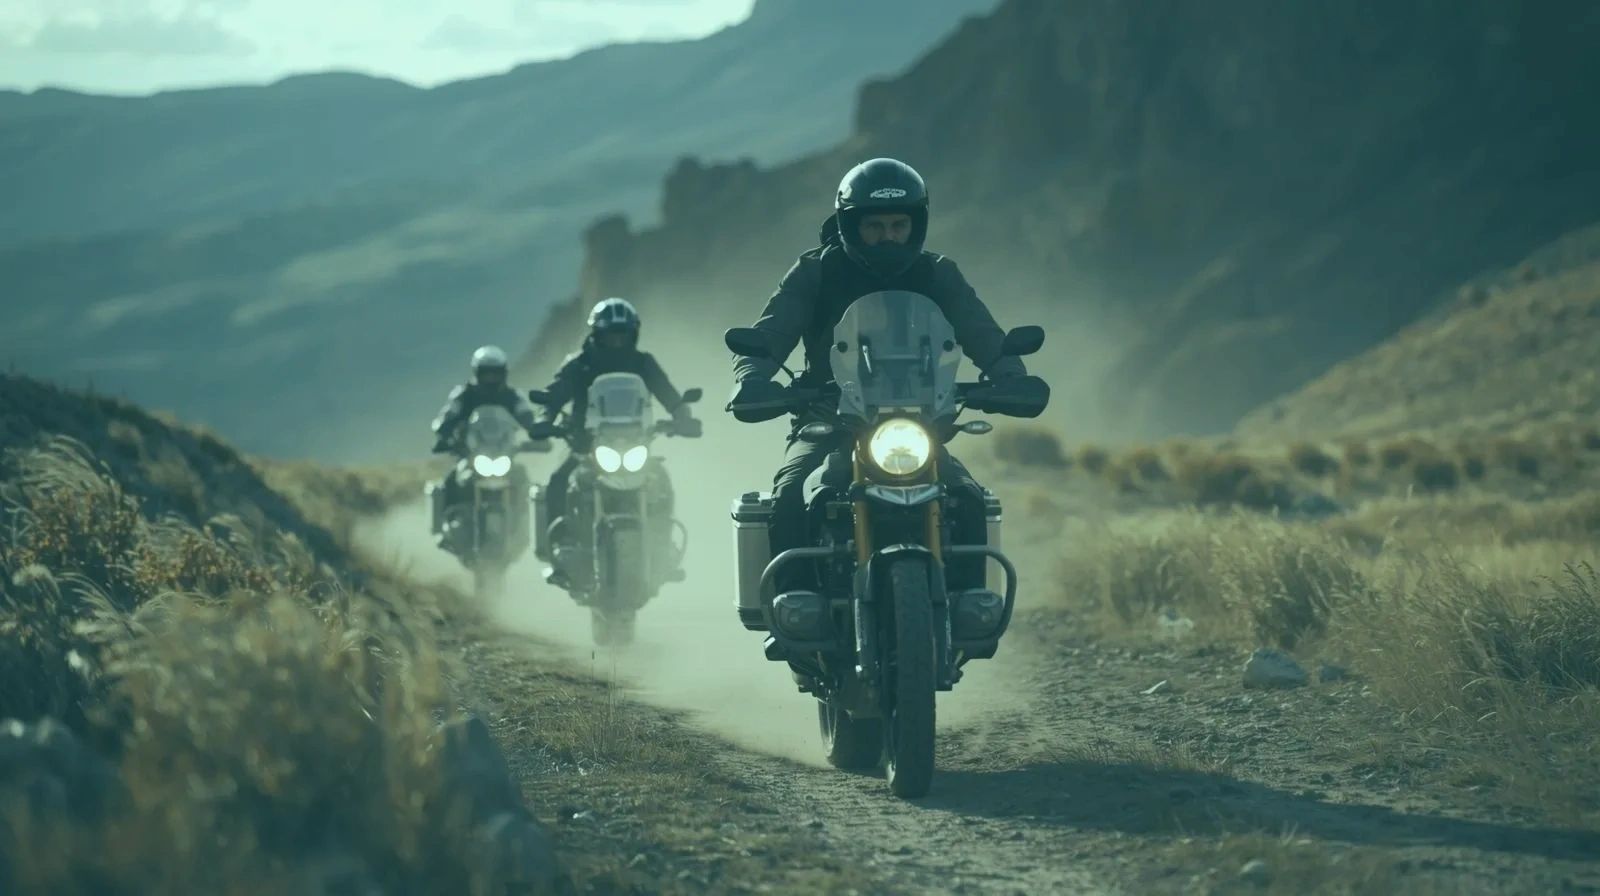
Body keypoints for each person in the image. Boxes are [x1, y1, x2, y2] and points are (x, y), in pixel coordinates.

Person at [727, 158, 1029, 592]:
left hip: (918, 421)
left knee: (967, 498)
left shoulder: (937, 274)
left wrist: (1010, 373)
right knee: (791, 494)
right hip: (828, 419)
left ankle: (971, 605)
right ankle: (795, 610)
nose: (888, 237)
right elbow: (770, 333)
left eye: (898, 226)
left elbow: (982, 332)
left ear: (916, 225)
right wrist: (753, 376)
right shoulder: (815, 272)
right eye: (875, 227)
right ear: (851, 226)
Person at [530, 298, 701, 586]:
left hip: (635, 443)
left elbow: (667, 392)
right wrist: (545, 417)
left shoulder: (643, 363)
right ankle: (560, 549)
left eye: (622, 334)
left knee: (661, 480)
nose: (617, 341)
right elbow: (555, 392)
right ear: (597, 334)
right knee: (559, 480)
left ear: (633, 334)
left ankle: (662, 547)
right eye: (611, 335)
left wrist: (682, 415)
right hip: (585, 444)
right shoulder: (579, 364)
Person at [428, 346, 543, 542]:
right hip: (472, 455)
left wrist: (538, 435)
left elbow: (528, 417)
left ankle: (528, 527)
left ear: (503, 373)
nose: (491, 378)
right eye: (486, 373)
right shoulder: (464, 395)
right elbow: (446, 418)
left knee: (524, 481)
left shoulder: (513, 397)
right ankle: (444, 531)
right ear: (477, 373)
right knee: (450, 482)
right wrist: (444, 436)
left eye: (495, 373)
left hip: (503, 454)